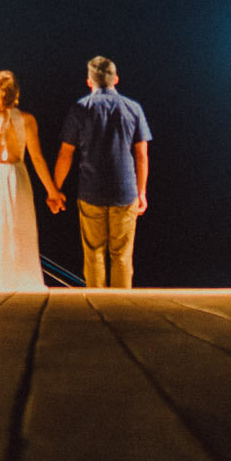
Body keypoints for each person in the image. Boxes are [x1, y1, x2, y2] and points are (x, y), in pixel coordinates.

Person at [52, 55, 152, 288]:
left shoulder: (80, 108)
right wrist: (142, 192)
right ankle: (121, 311)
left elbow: (65, 153)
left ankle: (96, 310)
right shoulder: (133, 108)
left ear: (89, 81)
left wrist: (55, 189)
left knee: (94, 254)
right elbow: (141, 156)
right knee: (122, 256)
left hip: (91, 192)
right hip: (125, 192)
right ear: (115, 79)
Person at [0, 70, 62, 290]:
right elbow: (37, 158)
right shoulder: (26, 120)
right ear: (15, 93)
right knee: (18, 230)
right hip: (16, 176)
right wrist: (52, 192)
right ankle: (18, 279)